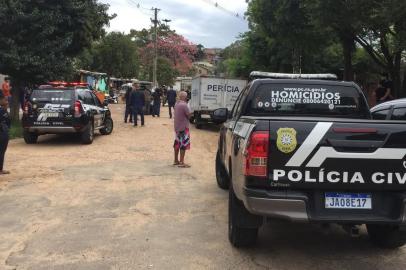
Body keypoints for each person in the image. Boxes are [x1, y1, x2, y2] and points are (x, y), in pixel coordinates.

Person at [173, 91, 192, 168]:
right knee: (183, 144)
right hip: (184, 127)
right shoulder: (184, 105)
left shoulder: (176, 104)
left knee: (177, 143)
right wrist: (192, 112)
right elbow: (189, 116)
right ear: (184, 97)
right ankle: (181, 162)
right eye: (186, 96)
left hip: (177, 127)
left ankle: (175, 160)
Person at [0, 94, 11, 175]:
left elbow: (8, 122)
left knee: (2, 151)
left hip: (4, 131)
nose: (7, 102)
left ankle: (0, 169)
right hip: (2, 132)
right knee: (1, 151)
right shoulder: (2, 111)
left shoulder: (4, 110)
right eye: (5, 100)